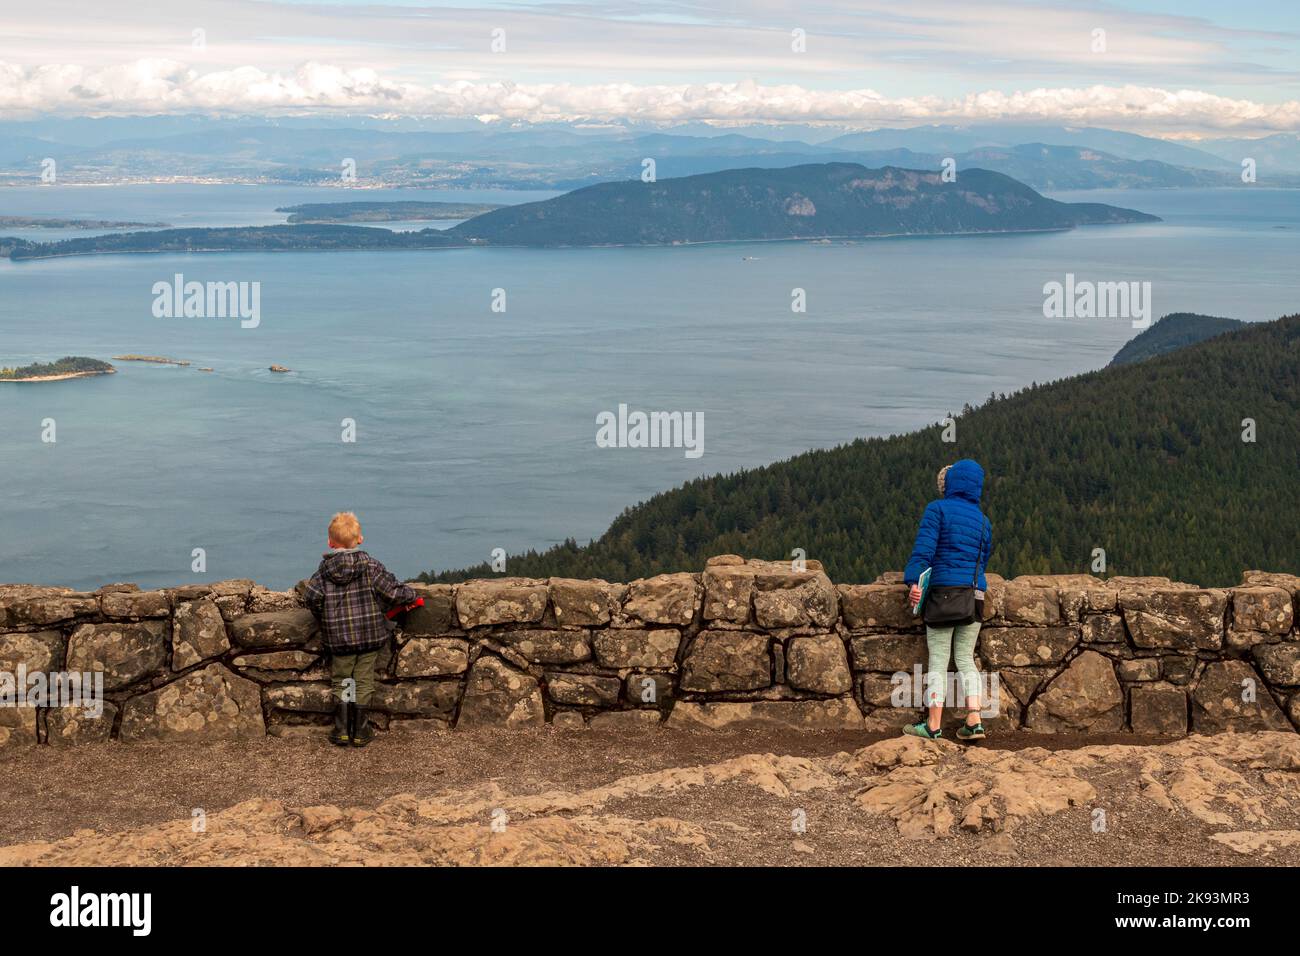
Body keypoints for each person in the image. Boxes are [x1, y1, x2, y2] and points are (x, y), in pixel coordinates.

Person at [303, 512, 416, 747]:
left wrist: (323, 617)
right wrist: (412, 595)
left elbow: (311, 598)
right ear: (360, 539)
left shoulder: (323, 572)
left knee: (343, 679)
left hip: (339, 640)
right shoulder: (371, 567)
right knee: (363, 679)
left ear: (330, 542)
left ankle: (342, 729)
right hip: (369, 636)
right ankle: (361, 730)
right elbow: (393, 592)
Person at [901, 459, 992, 741]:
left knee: (939, 660)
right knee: (966, 658)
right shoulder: (983, 520)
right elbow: (983, 559)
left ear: (950, 483)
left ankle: (933, 725)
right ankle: (974, 720)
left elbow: (924, 550)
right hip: (975, 595)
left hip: (943, 594)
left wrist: (914, 582)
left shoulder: (937, 509)